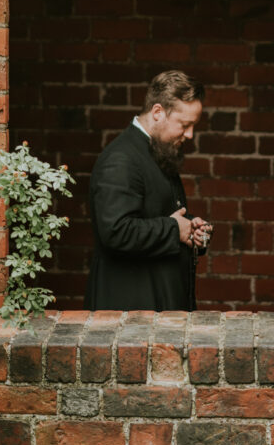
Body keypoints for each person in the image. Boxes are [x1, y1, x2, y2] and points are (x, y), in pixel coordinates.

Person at [84, 70, 212, 311]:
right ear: (157, 113)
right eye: (184, 125)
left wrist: (191, 228)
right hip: (128, 313)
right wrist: (175, 230)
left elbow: (158, 214)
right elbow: (116, 231)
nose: (190, 134)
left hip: (153, 306)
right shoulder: (121, 159)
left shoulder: (157, 150)